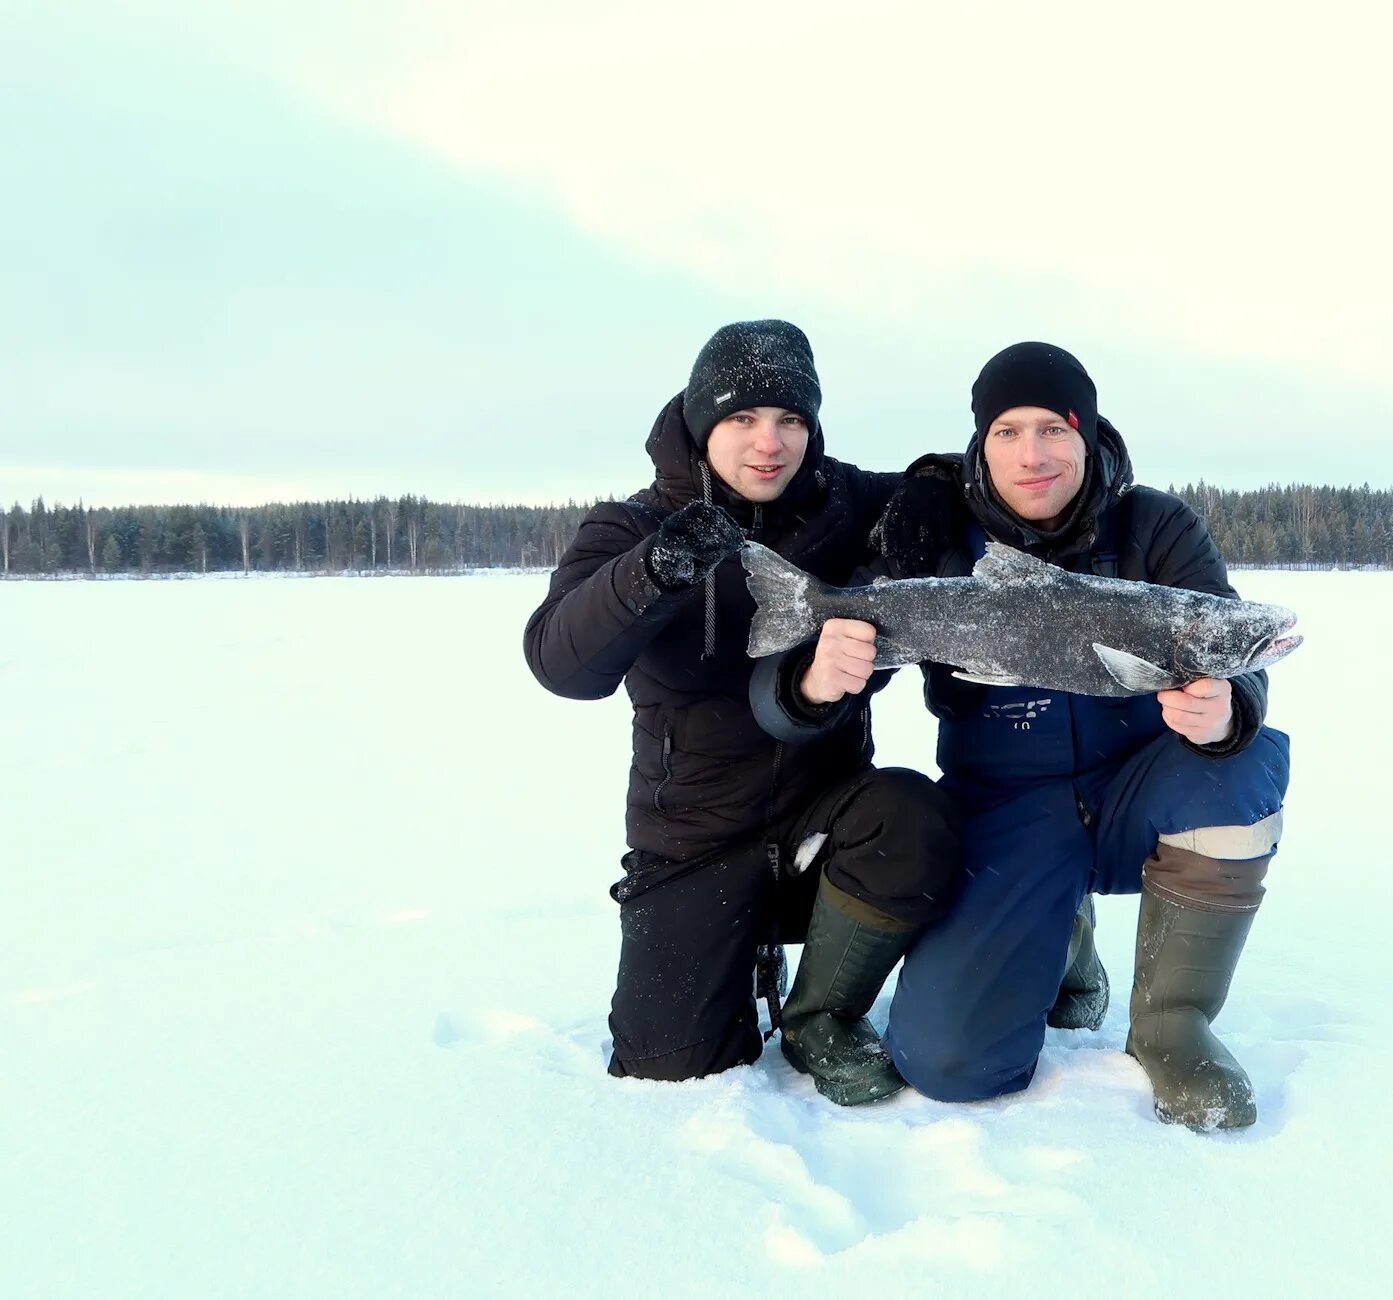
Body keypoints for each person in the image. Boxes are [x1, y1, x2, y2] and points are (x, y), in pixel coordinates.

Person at [760, 341, 1291, 1130]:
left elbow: (1229, 647)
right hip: (1006, 811)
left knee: (1238, 763)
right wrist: (813, 677)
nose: (1032, 454)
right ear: (981, 444)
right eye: (1007, 432)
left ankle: (1174, 1027)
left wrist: (1230, 709)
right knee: (950, 1063)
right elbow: (815, 697)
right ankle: (1061, 930)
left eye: (1054, 428)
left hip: (1136, 795)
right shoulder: (939, 531)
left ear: (1089, 434)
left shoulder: (1155, 526)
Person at [523, 320, 960, 1105]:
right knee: (670, 1065)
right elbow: (560, 663)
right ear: (701, 423)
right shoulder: (629, 526)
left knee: (914, 816)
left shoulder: (843, 499)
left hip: (827, 822)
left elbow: (960, 484)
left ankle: (821, 1012)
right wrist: (654, 572)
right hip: (693, 838)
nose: (770, 443)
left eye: (791, 419)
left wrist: (928, 488)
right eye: (742, 419)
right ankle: (740, 959)